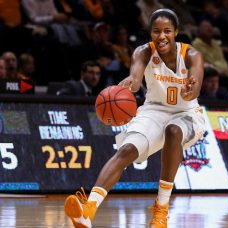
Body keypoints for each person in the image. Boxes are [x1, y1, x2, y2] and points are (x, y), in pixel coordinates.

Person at [63, 9, 205, 228]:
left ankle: (161, 210)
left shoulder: (191, 55)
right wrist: (132, 82)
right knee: (126, 150)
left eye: (167, 30)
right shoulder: (143, 52)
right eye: (156, 31)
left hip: (187, 113)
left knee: (173, 131)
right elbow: (136, 77)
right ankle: (88, 210)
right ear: (150, 33)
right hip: (154, 111)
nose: (162, 36)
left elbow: (194, 88)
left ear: (176, 32)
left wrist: (190, 89)